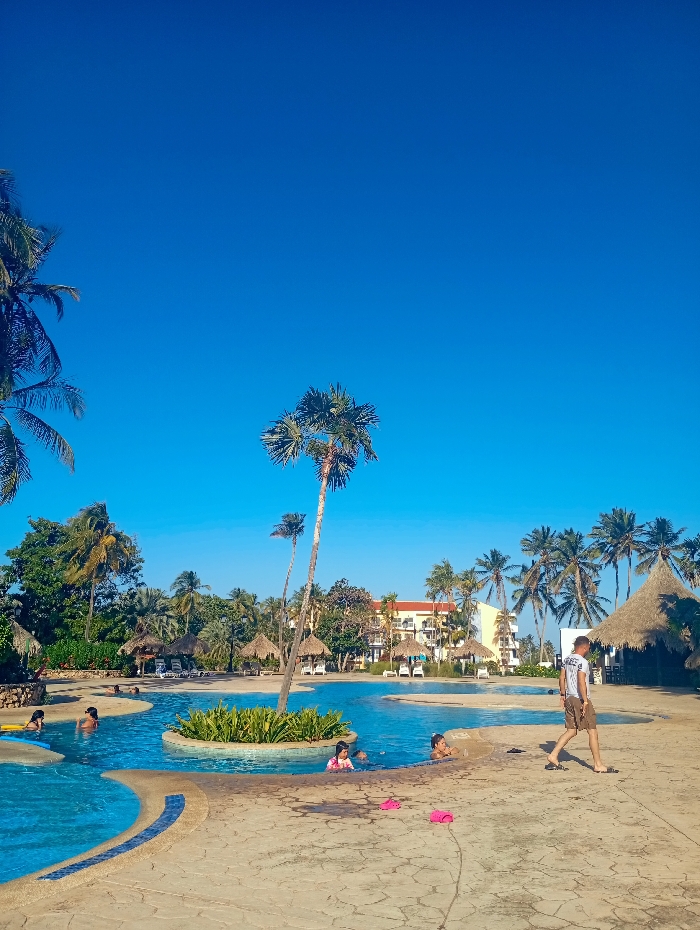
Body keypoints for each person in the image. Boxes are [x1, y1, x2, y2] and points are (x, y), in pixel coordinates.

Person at [546, 636, 617, 773]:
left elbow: (562, 677)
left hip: (569, 698)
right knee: (592, 731)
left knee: (571, 731)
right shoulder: (583, 662)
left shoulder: (567, 659)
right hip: (579, 698)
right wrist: (585, 701)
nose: (589, 649)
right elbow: (581, 681)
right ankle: (598, 765)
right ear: (584, 647)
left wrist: (562, 695)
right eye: (589, 647)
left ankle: (553, 755)